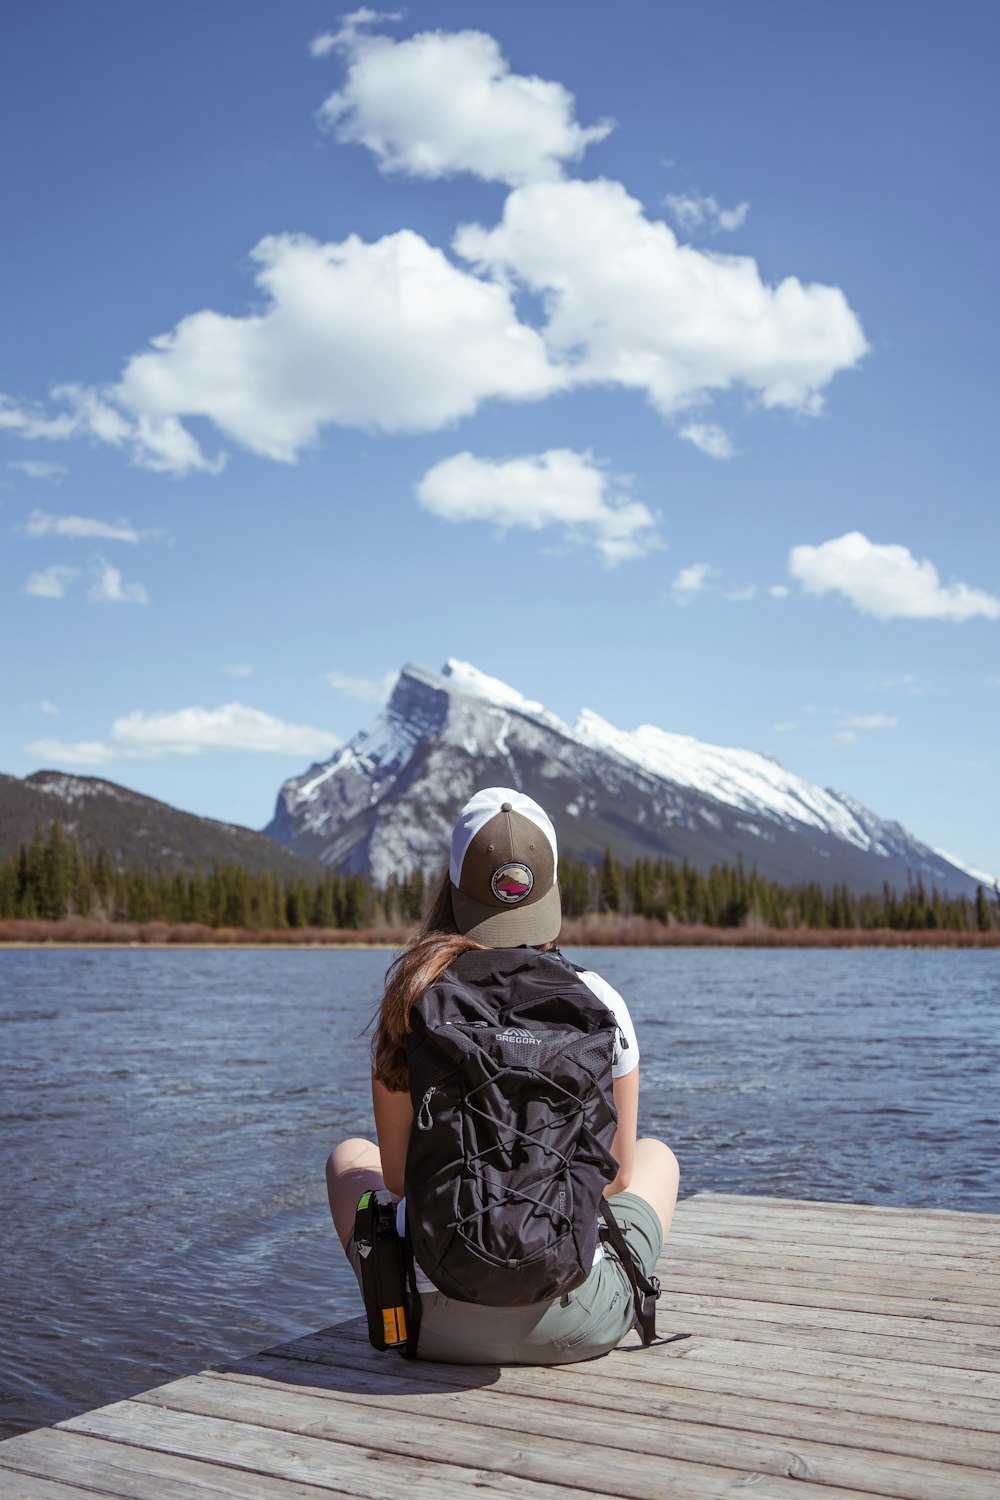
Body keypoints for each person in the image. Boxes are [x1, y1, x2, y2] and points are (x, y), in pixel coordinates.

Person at [325, 786, 680, 1363]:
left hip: (429, 1324)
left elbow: (397, 1178)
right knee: (657, 1156)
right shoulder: (599, 1000)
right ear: (550, 893)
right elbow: (614, 1179)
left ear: (455, 889)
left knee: (348, 1157)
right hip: (578, 1322)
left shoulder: (411, 996)